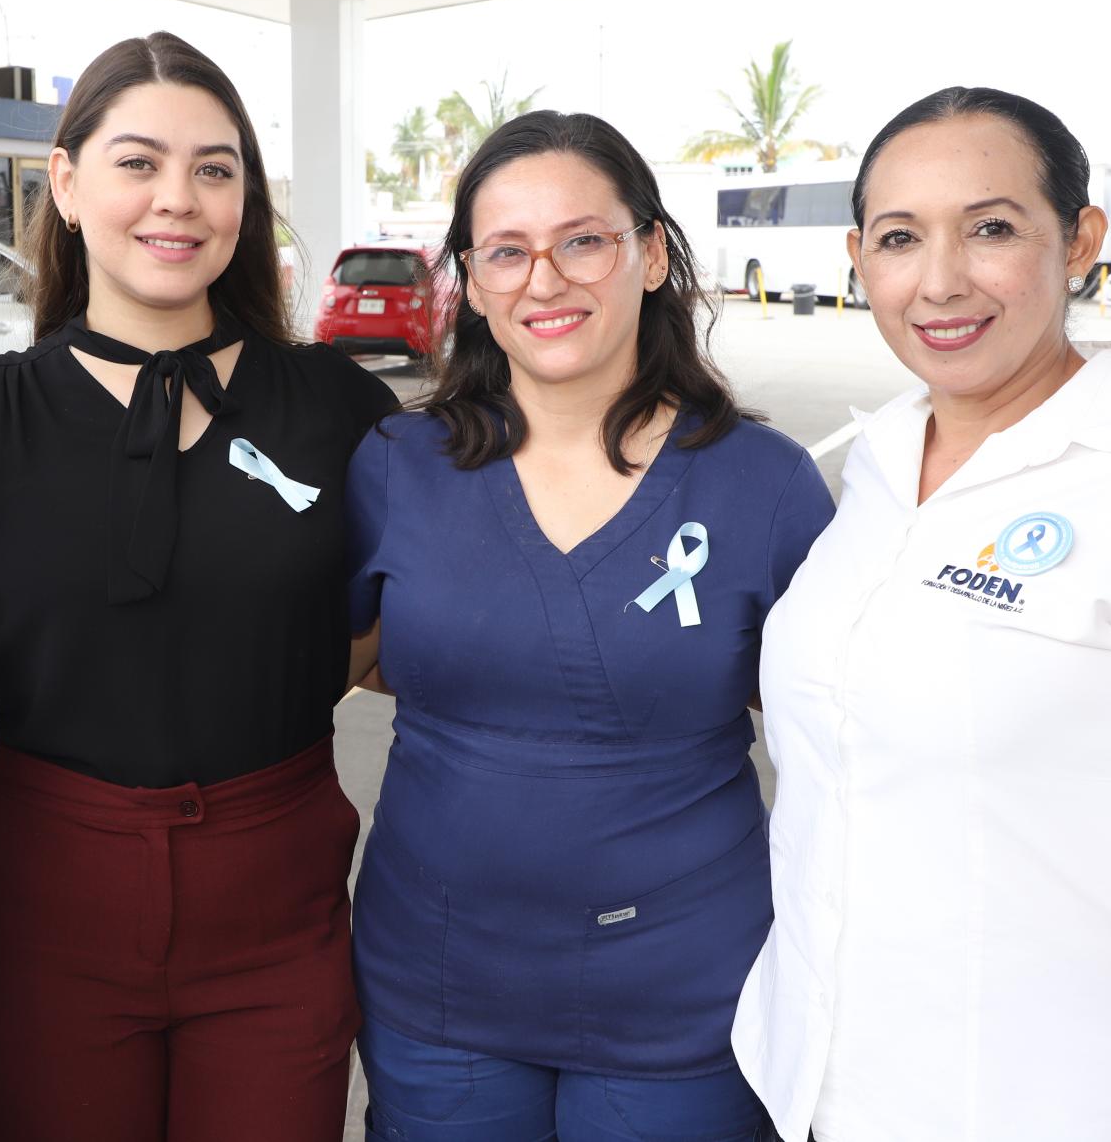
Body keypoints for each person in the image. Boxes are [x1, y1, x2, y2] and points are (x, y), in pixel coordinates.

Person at [734, 86, 1111, 1142]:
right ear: (855, 258)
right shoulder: (878, 468)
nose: (938, 281)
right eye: (897, 238)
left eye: (989, 229)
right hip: (815, 1100)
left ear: (1078, 241)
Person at [0, 32, 397, 1141]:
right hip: (43, 902)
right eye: (137, 162)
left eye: (214, 169)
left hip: (275, 906)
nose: (178, 198)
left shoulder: (335, 406)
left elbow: (430, 597)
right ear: (66, 185)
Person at [344, 110, 833, 1141]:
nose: (543, 278)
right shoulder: (397, 466)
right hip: (437, 984)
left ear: (650, 253)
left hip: (684, 991)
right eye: (506, 251)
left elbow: (824, 724)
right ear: (470, 282)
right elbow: (355, 661)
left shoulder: (763, 485)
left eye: (582, 240)